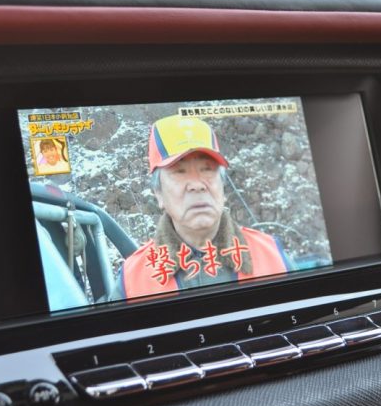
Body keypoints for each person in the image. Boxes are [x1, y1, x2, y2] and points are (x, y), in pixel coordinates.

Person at [120, 115, 293, 299]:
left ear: (223, 186)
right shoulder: (132, 280)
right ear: (159, 194)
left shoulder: (273, 257)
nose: (197, 185)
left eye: (207, 169)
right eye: (180, 171)